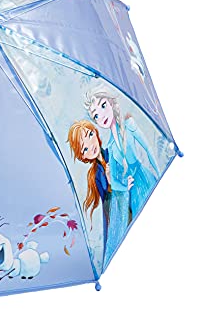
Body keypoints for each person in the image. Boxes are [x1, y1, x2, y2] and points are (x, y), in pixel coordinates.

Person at [84, 87, 160, 253]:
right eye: (95, 116)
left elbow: (148, 149)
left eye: (103, 106)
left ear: (111, 103)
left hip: (144, 177)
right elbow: (114, 183)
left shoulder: (129, 125)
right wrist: (123, 185)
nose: (101, 116)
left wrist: (159, 174)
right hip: (133, 190)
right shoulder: (110, 147)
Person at [67, 120, 112, 262]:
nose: (91, 146)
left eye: (90, 135)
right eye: (85, 149)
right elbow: (107, 204)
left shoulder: (112, 152)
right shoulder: (96, 176)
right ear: (83, 157)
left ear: (95, 132)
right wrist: (111, 184)